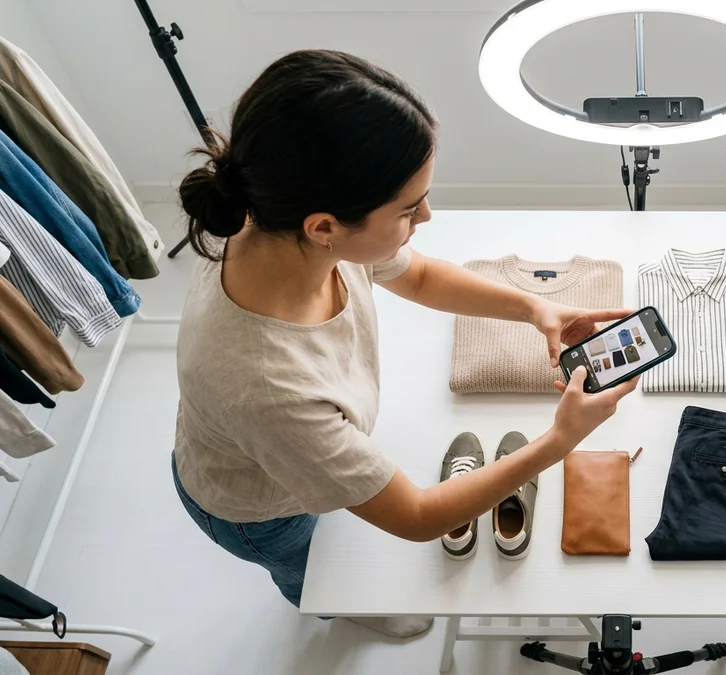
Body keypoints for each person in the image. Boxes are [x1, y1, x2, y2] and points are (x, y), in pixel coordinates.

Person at [171, 50, 637, 638]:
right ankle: (344, 612)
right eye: (410, 208)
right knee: (313, 577)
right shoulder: (265, 387)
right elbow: (417, 517)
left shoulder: (274, 219)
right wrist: (560, 440)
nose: (429, 216)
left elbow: (415, 273)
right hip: (262, 511)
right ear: (325, 227)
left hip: (282, 442)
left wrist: (532, 306)